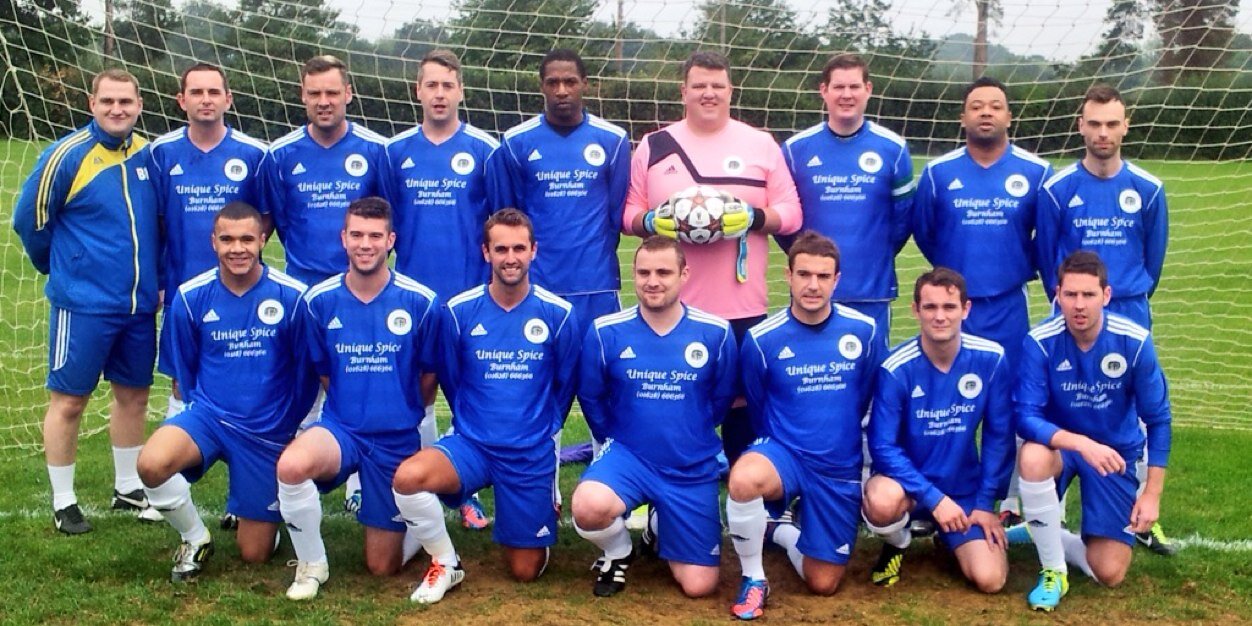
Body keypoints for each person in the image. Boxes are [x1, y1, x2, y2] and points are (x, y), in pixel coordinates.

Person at [392, 208, 579, 604]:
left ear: (533, 251)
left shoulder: (559, 314)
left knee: (525, 572)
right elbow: (451, 377)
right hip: (472, 445)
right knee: (408, 477)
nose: (510, 257)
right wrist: (473, 423)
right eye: (500, 248)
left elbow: (564, 386)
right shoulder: (458, 312)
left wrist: (540, 428)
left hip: (528, 453)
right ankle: (445, 561)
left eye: (518, 248)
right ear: (485, 252)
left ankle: (537, 504)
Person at [623, 50, 802, 463]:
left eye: (717, 86)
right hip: (672, 308)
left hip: (742, 305)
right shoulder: (654, 145)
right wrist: (654, 221)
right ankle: (666, 493)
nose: (708, 93)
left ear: (730, 91)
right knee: (674, 398)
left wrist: (752, 217)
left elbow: (792, 214)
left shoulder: (760, 144)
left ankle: (744, 495)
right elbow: (628, 214)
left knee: (741, 401)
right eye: (699, 86)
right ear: (683, 92)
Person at [12, 68, 162, 533]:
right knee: (70, 401)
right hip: (83, 306)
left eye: (126, 102)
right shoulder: (67, 155)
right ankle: (63, 500)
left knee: (134, 396)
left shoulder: (148, 154)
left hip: (137, 306)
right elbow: (29, 221)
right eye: (108, 102)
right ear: (91, 103)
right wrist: (61, 269)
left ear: (139, 105)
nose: (117, 110)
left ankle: (127, 488)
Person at [136, 202, 314, 582]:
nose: (238, 248)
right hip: (209, 419)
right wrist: (197, 412)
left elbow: (307, 374)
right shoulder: (189, 297)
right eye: (228, 239)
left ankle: (267, 517)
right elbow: (184, 372)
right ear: (213, 242)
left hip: (265, 432)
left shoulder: (293, 297)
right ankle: (195, 537)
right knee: (151, 463)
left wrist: (288, 427)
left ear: (263, 240)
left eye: (247, 239)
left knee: (254, 555)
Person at [276, 197, 441, 600]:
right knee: (292, 465)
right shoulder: (318, 302)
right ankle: (312, 565)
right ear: (343, 239)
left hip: (395, 438)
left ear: (390, 240)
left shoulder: (422, 302)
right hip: (342, 429)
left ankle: (416, 522)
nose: (365, 244)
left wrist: (395, 411)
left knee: (381, 567)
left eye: (374, 235)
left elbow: (429, 377)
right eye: (356, 235)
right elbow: (325, 373)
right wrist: (354, 409)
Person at [1034, 84, 1174, 555]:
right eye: (1094, 123)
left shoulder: (1148, 189)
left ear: (1126, 125)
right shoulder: (1057, 189)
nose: (1103, 132)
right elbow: (1045, 257)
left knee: (1131, 413)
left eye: (1112, 123)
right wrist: (1074, 298)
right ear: (1081, 126)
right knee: (1060, 404)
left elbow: (1153, 262)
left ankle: (1140, 511)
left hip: (1128, 306)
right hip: (1072, 307)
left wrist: (1120, 298)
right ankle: (1042, 507)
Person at [572, 236, 738, 599]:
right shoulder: (605, 331)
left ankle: (660, 525)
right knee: (588, 506)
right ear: (633, 274)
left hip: (690, 466)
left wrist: (690, 431)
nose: (653, 281)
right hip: (630, 457)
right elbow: (592, 395)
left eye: (664, 272)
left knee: (699, 586)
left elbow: (721, 398)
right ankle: (619, 552)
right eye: (644, 272)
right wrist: (614, 436)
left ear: (684, 274)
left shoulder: (716, 333)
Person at [726, 232, 881, 620]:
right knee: (744, 478)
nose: (813, 285)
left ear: (837, 280)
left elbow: (867, 398)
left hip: (838, 467)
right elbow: (759, 406)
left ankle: (778, 529)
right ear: (788, 275)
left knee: (823, 583)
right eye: (805, 274)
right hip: (786, 455)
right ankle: (754, 578)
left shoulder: (864, 331)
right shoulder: (762, 338)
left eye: (823, 276)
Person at [148, 63, 270, 530]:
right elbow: (154, 220)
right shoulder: (162, 154)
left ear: (228, 98)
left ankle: (255, 484)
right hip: (185, 291)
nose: (205, 99)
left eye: (213, 91)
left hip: (243, 294)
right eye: (195, 92)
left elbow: (261, 220)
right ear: (181, 100)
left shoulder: (253, 155)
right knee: (182, 382)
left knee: (249, 383)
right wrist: (161, 278)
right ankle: (170, 483)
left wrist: (242, 262)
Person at [1015, 251, 1172, 612]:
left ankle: (1047, 530)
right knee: (1033, 455)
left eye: (1088, 295)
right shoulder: (1039, 341)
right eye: (1070, 295)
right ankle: (1053, 570)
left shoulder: (1134, 341)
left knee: (1109, 573)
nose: (1078, 305)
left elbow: (1159, 419)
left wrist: (1152, 494)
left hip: (1114, 453)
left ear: (1106, 295)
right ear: (1058, 295)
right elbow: (1026, 417)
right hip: (1062, 447)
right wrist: (1081, 443)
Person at [385, 48, 500, 530]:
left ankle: (466, 489)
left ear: (460, 91)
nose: (439, 94)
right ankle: (427, 485)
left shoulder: (485, 150)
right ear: (418, 90)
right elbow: (385, 222)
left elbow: (499, 224)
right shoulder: (394, 153)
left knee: (470, 394)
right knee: (420, 392)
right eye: (430, 85)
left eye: (447, 85)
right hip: (414, 301)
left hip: (470, 298)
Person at [862, 267, 1014, 594]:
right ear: (915, 310)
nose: (940, 317)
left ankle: (950, 539)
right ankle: (898, 542)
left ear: (966, 309)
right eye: (930, 307)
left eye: (949, 307)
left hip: (963, 491)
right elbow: (882, 447)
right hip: (908, 488)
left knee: (991, 580)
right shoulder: (895, 369)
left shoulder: (991, 359)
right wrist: (933, 498)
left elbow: (998, 435)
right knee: (880, 500)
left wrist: (985, 504)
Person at [912, 76, 1053, 368]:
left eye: (995, 106)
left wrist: (1018, 263)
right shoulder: (937, 172)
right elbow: (924, 232)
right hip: (951, 305)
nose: (986, 112)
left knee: (1007, 397)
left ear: (1009, 117)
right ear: (963, 118)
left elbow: (1047, 236)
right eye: (976, 107)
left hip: (1009, 303)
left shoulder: (1037, 172)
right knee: (952, 394)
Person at [486, 48, 630, 333]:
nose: (561, 90)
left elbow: (615, 215)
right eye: (553, 83)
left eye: (570, 82)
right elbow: (508, 215)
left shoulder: (613, 140)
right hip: (537, 281)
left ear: (585, 84)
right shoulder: (516, 142)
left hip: (595, 283)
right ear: (542, 86)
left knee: (594, 371)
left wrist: (594, 258)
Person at [779, 54, 915, 345]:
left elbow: (903, 220)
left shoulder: (893, 148)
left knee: (870, 381)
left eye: (854, 87)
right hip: (811, 293)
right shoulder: (794, 150)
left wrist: (874, 254)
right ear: (823, 91)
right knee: (813, 375)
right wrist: (806, 257)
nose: (846, 95)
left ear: (868, 89)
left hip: (871, 292)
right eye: (838, 87)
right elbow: (786, 222)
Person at [263, 55, 390, 287]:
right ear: (303, 95)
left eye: (332, 93)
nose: (323, 102)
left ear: (348, 94)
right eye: (314, 94)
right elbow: (281, 222)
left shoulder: (378, 150)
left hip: (362, 284)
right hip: (303, 284)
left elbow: (388, 216)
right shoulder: (279, 154)